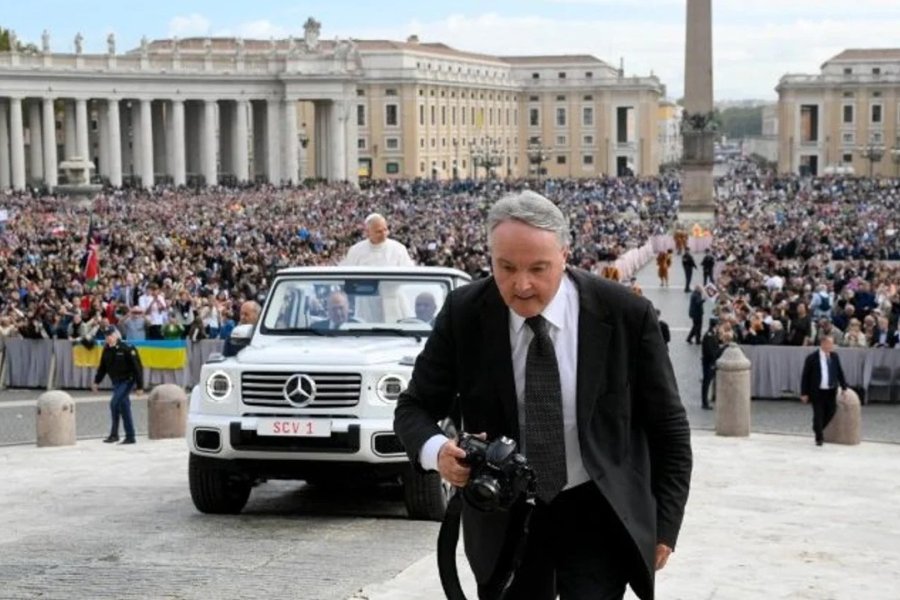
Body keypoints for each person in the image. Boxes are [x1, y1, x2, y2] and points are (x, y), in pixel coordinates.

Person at [394, 191, 692, 600]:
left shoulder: (625, 314)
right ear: (490, 258)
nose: (522, 285)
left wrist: (666, 525)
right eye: (506, 267)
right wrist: (437, 452)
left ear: (564, 256)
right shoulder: (464, 312)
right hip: (503, 514)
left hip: (599, 511)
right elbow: (413, 407)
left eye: (538, 268)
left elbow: (668, 428)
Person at [91, 327, 144, 445]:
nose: (108, 337)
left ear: (116, 335)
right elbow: (102, 368)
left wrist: (140, 386)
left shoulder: (127, 348)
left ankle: (114, 434)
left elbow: (137, 368)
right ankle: (130, 436)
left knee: (114, 403)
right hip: (116, 382)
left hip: (127, 381)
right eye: (106, 335)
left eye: (110, 335)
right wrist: (96, 382)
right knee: (124, 408)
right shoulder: (106, 349)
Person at [800, 334, 848, 446]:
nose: (832, 346)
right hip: (817, 391)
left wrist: (844, 387)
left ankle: (817, 427)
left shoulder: (834, 356)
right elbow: (805, 376)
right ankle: (819, 437)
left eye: (832, 344)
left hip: (831, 390)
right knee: (818, 413)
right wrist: (804, 393)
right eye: (830, 344)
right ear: (823, 344)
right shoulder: (812, 358)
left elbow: (839, 372)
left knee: (831, 411)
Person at [340, 213, 414, 267]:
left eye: (385, 230)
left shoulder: (399, 249)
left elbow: (408, 273)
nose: (384, 234)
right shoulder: (356, 250)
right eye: (379, 231)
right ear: (368, 232)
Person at [700, 319, 723, 410]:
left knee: (708, 381)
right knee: (706, 382)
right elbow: (710, 351)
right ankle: (704, 402)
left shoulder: (712, 334)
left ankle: (707, 400)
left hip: (710, 362)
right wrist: (720, 351)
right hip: (709, 363)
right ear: (715, 326)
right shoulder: (709, 336)